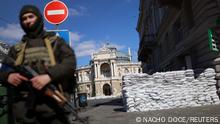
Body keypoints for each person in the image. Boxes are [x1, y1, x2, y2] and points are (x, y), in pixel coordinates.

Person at [0, 5, 76, 124]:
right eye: (24, 18)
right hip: (24, 110)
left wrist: (49, 76)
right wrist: (9, 76)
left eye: (31, 16)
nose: (28, 21)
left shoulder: (55, 42)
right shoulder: (16, 49)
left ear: (39, 18)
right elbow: (4, 69)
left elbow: (70, 63)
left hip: (53, 107)